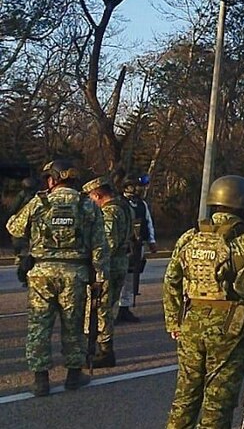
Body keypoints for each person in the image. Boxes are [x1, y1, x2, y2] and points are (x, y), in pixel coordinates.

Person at [163, 175, 244, 429]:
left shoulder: (191, 236)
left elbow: (171, 280)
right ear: (242, 202)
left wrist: (173, 320)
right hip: (231, 325)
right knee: (218, 399)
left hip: (192, 322)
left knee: (185, 394)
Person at [5, 160, 107, 396]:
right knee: (73, 326)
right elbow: (100, 245)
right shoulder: (86, 204)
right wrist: (99, 276)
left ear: (52, 179)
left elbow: (14, 228)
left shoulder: (39, 202)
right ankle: (73, 376)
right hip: (75, 274)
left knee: (39, 327)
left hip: (42, 274)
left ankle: (40, 380)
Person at [82, 176, 134, 368]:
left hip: (109, 266)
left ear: (97, 195)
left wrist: (96, 267)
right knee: (106, 306)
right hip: (119, 263)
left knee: (101, 308)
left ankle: (104, 352)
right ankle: (102, 348)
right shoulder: (124, 207)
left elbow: (108, 244)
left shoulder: (109, 212)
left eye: (91, 197)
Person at [120, 178, 156, 323]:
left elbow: (148, 222)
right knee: (120, 279)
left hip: (137, 246)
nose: (139, 189)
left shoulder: (142, 204)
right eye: (136, 186)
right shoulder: (120, 203)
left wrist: (151, 241)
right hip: (123, 247)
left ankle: (125, 308)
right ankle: (115, 309)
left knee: (131, 279)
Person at [12, 177, 39, 288]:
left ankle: (23, 273)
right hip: (35, 227)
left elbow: (13, 209)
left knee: (23, 251)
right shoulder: (38, 196)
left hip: (23, 226)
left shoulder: (21, 195)